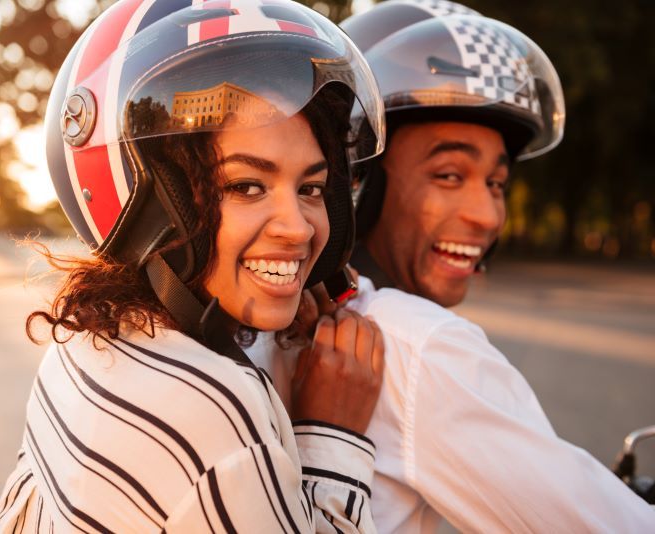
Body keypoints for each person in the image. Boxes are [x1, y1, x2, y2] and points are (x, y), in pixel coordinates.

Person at [250, 1, 655, 532]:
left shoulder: (269, 316)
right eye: (448, 175)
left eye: (496, 183)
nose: (486, 215)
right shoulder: (423, 345)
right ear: (355, 185)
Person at [0, 0, 388, 531]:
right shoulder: (215, 411)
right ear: (153, 206)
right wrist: (332, 436)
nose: (297, 228)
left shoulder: (83, 342)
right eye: (246, 186)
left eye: (312, 188)